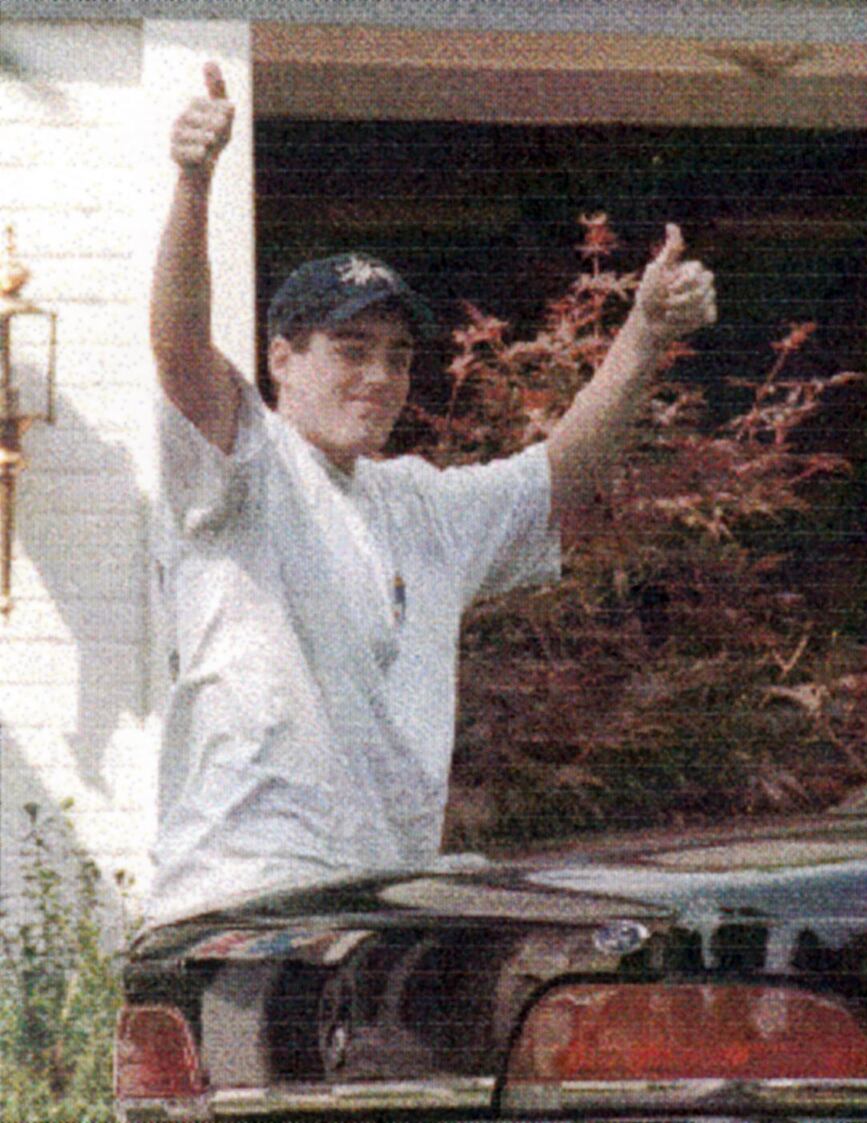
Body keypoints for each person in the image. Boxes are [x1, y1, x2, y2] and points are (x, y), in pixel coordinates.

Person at [147, 63, 716, 923]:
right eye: (351, 348)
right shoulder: (246, 464)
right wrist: (194, 182)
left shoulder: (422, 506)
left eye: (398, 356)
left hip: (382, 907)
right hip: (244, 902)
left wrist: (644, 332)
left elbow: (558, 475)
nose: (379, 376)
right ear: (281, 358)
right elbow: (181, 344)